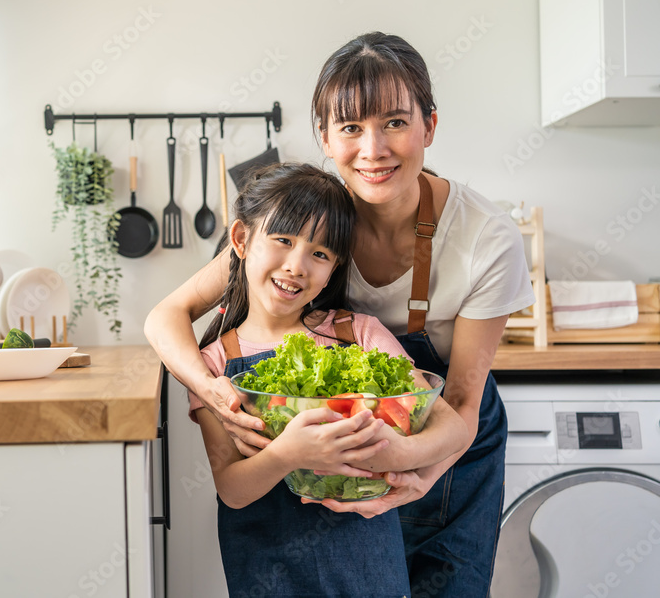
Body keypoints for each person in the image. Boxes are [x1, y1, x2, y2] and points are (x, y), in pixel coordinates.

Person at [145, 32, 535, 597]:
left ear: (429, 125)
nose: (373, 149)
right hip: (344, 454)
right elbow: (167, 315)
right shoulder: (310, 218)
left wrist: (407, 463)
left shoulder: (485, 238)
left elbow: (460, 403)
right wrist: (212, 390)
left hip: (443, 441)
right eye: (350, 127)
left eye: (395, 123)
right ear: (325, 136)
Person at [192, 162, 468, 598]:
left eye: (320, 254)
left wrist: (401, 452)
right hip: (269, 567)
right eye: (283, 240)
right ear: (242, 240)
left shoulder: (358, 333)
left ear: (334, 268)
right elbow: (232, 489)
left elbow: (451, 424)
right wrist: (287, 454)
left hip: (368, 562)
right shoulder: (213, 364)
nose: (297, 266)